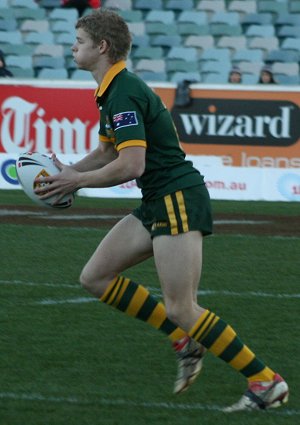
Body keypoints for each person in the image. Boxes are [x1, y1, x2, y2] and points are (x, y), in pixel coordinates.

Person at [34, 9, 289, 412]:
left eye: (79, 41)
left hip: (176, 198)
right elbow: (105, 152)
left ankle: (265, 381)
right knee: (96, 277)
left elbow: (130, 165)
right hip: (158, 199)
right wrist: (67, 171)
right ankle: (184, 340)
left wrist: (74, 183)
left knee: (181, 306)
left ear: (101, 47)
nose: (72, 47)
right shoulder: (109, 89)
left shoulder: (123, 92)